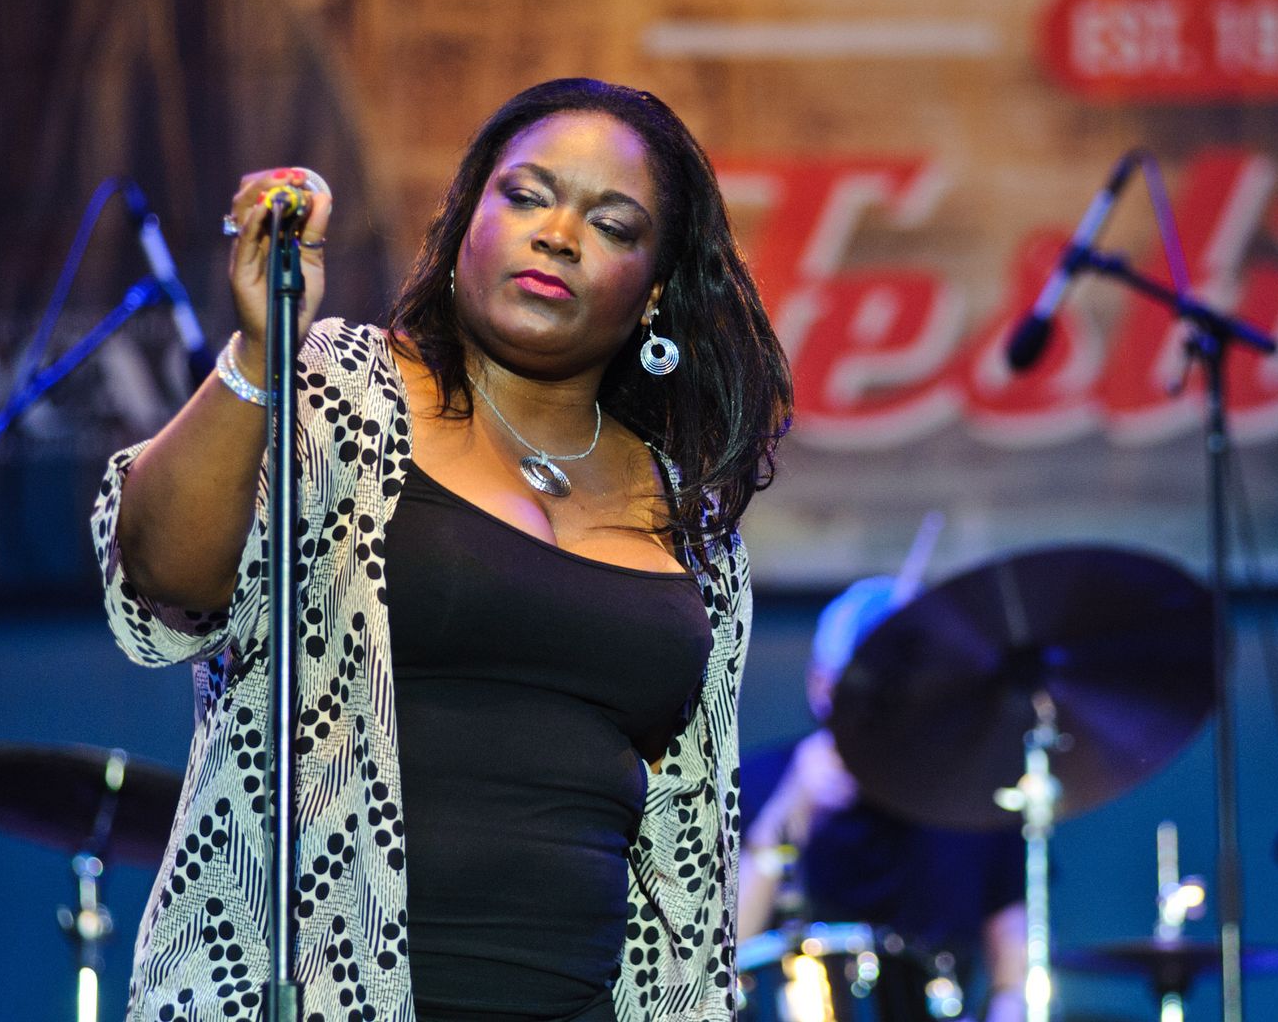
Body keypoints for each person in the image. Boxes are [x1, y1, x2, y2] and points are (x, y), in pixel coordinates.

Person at [91, 78, 791, 1022]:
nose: (559, 235)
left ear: (655, 290)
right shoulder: (340, 392)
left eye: (614, 225)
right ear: (467, 220)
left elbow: (685, 856)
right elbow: (165, 581)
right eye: (527, 196)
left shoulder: (693, 526)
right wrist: (262, 354)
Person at [737, 576, 1028, 1022]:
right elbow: (724, 952)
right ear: (822, 687)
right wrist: (792, 807)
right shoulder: (763, 783)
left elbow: (1015, 979)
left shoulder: (978, 799)